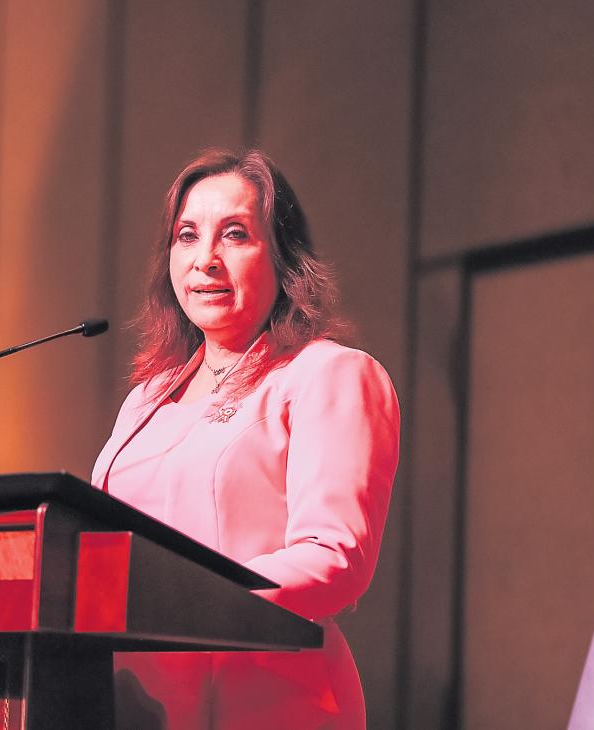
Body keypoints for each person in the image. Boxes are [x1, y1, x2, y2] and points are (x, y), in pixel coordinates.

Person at [92, 148, 400, 729]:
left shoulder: (328, 374)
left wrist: (186, 599)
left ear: (283, 258)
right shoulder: (148, 398)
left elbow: (335, 557)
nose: (205, 260)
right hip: (135, 701)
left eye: (234, 235)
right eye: (187, 236)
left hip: (265, 700)